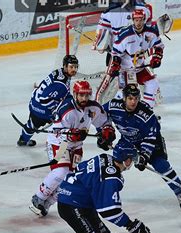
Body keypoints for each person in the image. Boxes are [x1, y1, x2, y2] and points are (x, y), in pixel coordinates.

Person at [29, 80, 116, 217]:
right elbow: (57, 131)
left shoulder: (93, 108)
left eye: (87, 95)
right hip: (59, 143)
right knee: (60, 172)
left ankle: (47, 203)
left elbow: (105, 121)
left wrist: (107, 131)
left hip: (77, 146)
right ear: (75, 94)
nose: (84, 98)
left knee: (71, 178)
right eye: (81, 95)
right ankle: (38, 198)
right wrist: (71, 134)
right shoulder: (67, 109)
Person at [52, 146, 152, 233]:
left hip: (74, 200)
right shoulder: (111, 178)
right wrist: (130, 225)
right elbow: (109, 210)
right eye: (132, 158)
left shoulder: (104, 157)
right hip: (74, 205)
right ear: (127, 160)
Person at [102, 84, 181, 210]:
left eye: (136, 98)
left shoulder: (146, 114)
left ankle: (180, 193)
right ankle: (109, 192)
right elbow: (99, 114)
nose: (133, 102)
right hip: (128, 140)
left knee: (161, 165)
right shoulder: (113, 106)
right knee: (116, 157)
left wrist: (144, 156)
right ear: (124, 98)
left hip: (151, 141)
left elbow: (150, 137)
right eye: (130, 98)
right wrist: (103, 132)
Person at [16, 55, 79, 147]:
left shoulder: (60, 72)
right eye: (71, 67)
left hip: (34, 102)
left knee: (32, 124)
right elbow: (44, 99)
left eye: (76, 67)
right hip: (41, 109)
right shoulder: (61, 84)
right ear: (65, 66)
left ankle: (23, 139)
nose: (74, 69)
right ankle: (54, 144)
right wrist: (54, 111)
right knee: (62, 123)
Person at [109, 9, 164, 108]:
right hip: (126, 69)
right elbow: (115, 53)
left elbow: (159, 46)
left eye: (141, 20)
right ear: (133, 20)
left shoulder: (151, 32)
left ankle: (146, 109)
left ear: (144, 20)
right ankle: (118, 111)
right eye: (136, 20)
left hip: (140, 67)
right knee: (126, 93)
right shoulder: (125, 34)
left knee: (153, 83)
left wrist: (157, 58)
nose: (138, 23)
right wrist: (115, 66)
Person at [93, 0, 153, 66]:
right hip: (118, 54)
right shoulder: (108, 12)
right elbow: (102, 33)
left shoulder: (142, 9)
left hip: (136, 53)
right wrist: (101, 43)